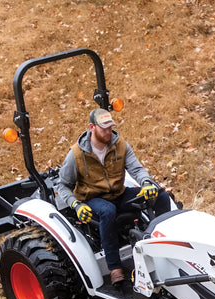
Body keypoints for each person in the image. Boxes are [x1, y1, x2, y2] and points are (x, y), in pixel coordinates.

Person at [56, 108, 171, 289]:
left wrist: (147, 183)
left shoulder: (120, 145)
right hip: (92, 198)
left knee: (161, 196)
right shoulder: (77, 154)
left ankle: (163, 243)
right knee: (108, 211)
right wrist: (76, 205)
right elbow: (62, 185)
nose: (109, 132)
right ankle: (115, 267)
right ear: (91, 127)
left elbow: (136, 169)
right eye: (104, 129)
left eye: (110, 128)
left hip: (118, 193)